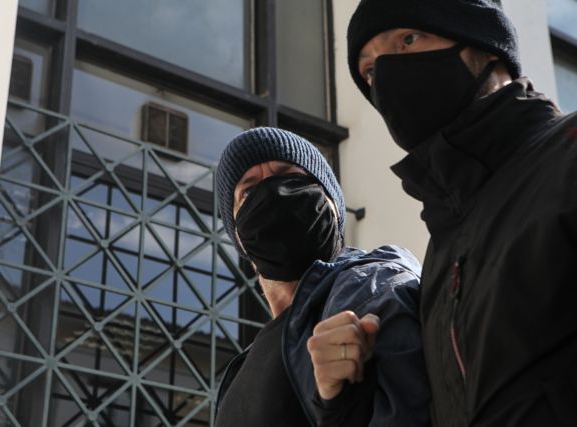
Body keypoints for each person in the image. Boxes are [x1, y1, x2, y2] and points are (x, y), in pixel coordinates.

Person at [347, 1, 577, 426]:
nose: (388, 76)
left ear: (485, 45)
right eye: (371, 71)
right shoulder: (442, 250)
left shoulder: (567, 157)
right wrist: (344, 402)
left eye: (408, 39)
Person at [213, 127, 430, 426]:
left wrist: (339, 407)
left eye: (290, 176)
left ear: (333, 206)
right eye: (248, 192)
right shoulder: (243, 368)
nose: (273, 193)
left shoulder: (372, 285)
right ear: (238, 237)